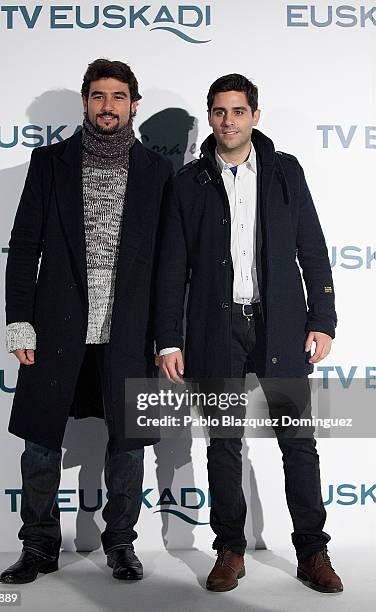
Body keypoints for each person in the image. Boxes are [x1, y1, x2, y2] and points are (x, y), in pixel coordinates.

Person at [154, 73, 343, 593]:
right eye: (218, 111)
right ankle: (230, 550)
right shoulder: (188, 183)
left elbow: (313, 248)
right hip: (217, 327)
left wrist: (322, 321)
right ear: (210, 116)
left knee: (298, 443)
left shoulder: (285, 172)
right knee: (223, 442)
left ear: (255, 115)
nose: (228, 121)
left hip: (279, 325)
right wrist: (169, 338)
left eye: (238, 111)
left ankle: (313, 552)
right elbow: (172, 267)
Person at [0, 58, 173, 584]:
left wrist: (167, 336)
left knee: (128, 443)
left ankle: (121, 543)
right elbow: (24, 245)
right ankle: (39, 546)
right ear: (84, 102)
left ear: (133, 104)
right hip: (57, 326)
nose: (108, 106)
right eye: (98, 96)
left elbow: (170, 264)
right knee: (40, 442)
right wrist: (19, 321)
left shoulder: (158, 172)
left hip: (130, 330)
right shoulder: (49, 162)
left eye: (118, 97)